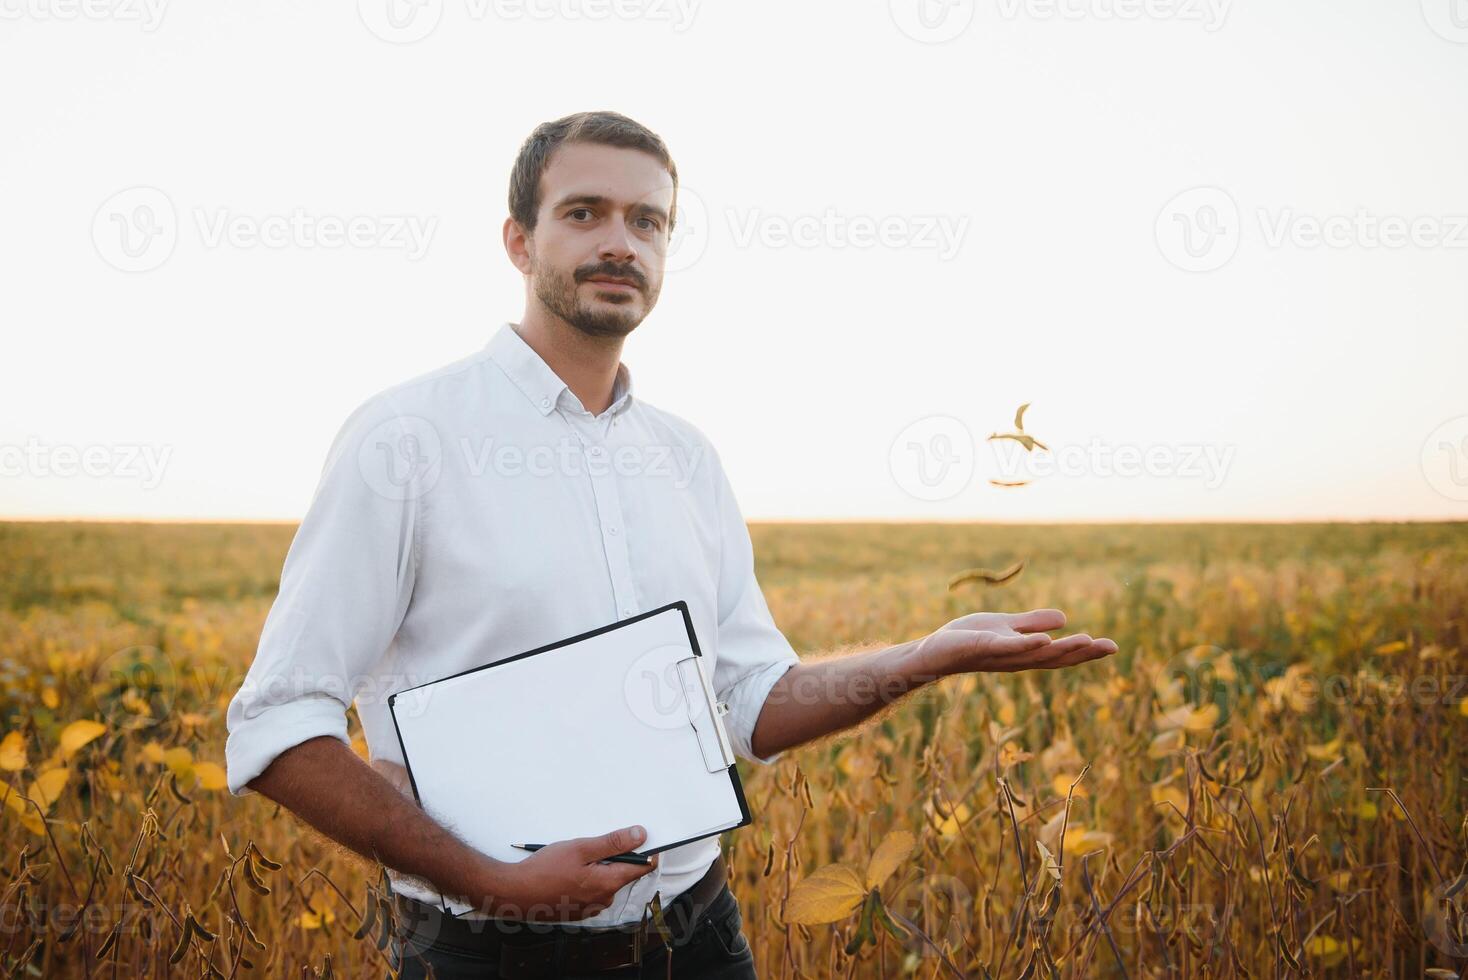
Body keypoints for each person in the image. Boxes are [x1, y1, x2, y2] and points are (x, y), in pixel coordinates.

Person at [223, 110, 1118, 979]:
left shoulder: (686, 460)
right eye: (585, 213)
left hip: (697, 938)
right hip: (486, 954)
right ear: (518, 242)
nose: (621, 242)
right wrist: (492, 882)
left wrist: (924, 657)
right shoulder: (406, 439)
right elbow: (279, 722)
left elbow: (748, 701)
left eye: (647, 221)